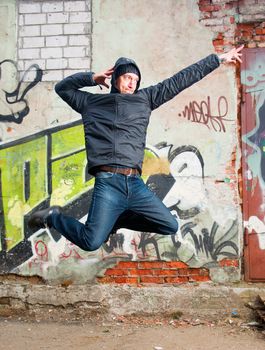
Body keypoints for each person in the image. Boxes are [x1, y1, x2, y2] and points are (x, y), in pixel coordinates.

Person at [28, 46, 243, 251]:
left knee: (170, 225)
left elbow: (180, 80)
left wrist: (218, 59)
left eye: (136, 80)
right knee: (90, 242)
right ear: (116, 78)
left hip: (135, 184)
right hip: (108, 184)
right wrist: (92, 78)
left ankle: (118, 219)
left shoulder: (145, 99)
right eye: (128, 77)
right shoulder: (90, 103)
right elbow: (62, 88)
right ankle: (52, 218)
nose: (132, 83)